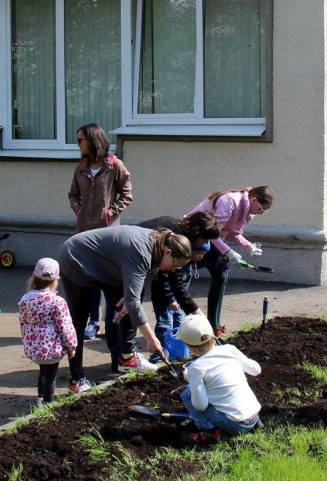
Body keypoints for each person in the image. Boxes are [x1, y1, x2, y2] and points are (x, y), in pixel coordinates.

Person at [58, 225, 192, 394]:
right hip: (76, 257)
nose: (173, 270)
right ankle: (76, 379)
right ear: (167, 252)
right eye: (175, 265)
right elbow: (133, 300)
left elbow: (132, 298)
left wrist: (129, 299)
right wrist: (151, 339)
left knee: (131, 300)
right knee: (79, 319)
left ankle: (127, 358)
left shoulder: (157, 246)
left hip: (106, 263)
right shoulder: (141, 252)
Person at [67, 123, 134, 341]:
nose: (78, 144)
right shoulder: (81, 167)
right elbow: (73, 195)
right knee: (89, 278)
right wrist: (79, 211)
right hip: (84, 232)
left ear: (93, 140)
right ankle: (92, 322)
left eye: (80, 140)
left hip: (107, 233)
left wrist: (109, 213)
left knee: (109, 278)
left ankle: (112, 323)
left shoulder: (114, 165)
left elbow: (127, 195)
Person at [186, 186, 274, 337]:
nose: (260, 213)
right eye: (260, 209)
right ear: (253, 200)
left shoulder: (247, 210)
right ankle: (177, 324)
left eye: (263, 211)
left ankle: (214, 326)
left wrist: (249, 247)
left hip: (213, 241)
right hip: (195, 236)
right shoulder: (230, 201)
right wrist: (229, 253)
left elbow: (235, 232)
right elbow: (212, 234)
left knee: (221, 276)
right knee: (182, 275)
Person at [137, 211, 221, 363]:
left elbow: (177, 286)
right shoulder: (174, 238)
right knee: (131, 305)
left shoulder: (182, 242)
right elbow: (165, 277)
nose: (204, 243)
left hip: (141, 269)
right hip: (123, 261)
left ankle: (130, 354)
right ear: (198, 233)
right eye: (205, 239)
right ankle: (127, 356)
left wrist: (199, 317)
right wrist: (169, 298)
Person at [176, 314, 262, 444]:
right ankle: (254, 425)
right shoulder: (229, 350)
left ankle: (207, 430)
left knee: (187, 394)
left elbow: (201, 406)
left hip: (235, 425)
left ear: (191, 348)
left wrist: (190, 378)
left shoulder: (197, 368)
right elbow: (256, 370)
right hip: (254, 415)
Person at [18, 258, 77, 407]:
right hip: (51, 346)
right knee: (50, 376)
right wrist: (71, 346)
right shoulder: (57, 302)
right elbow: (65, 326)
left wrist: (25, 340)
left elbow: (23, 322)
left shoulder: (25, 300)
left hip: (34, 346)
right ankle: (47, 404)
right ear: (55, 280)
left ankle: (39, 402)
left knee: (42, 373)